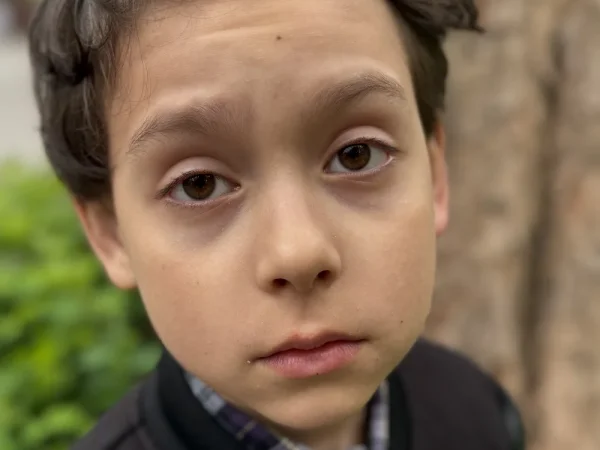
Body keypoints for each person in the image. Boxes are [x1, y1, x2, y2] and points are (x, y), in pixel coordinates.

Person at [28, 0, 525, 449]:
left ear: (434, 174)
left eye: (357, 155)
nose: (298, 252)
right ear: (111, 233)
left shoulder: (477, 410)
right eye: (199, 184)